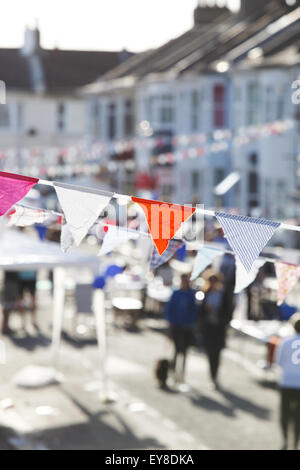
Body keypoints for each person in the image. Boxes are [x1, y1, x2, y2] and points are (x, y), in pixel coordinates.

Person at [199, 271, 233, 389]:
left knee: (217, 353)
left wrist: (219, 315)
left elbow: (228, 311)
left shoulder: (223, 294)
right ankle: (211, 375)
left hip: (219, 328)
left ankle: (215, 376)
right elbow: (200, 311)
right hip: (208, 327)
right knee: (209, 352)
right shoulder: (204, 293)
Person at [164, 274, 197, 384]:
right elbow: (170, 310)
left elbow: (194, 311)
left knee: (185, 351)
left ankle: (182, 375)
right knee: (176, 350)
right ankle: (172, 373)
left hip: (187, 327)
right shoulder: (176, 293)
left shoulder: (192, 294)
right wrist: (170, 324)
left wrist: (191, 323)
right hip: (176, 326)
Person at [275, 313, 300, 450]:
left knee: (285, 413)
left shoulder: (286, 342)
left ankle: (285, 439)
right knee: (298, 416)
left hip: (287, 381)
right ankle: (295, 443)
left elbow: (279, 362)